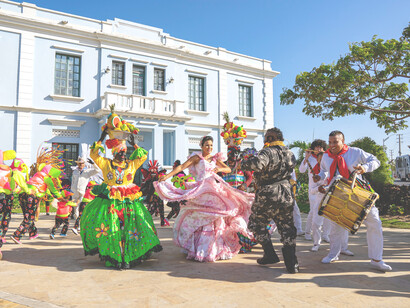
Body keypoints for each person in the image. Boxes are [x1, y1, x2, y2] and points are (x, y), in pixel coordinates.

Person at [155, 136, 254, 262]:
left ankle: (213, 248)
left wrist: (219, 168)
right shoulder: (197, 158)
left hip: (213, 189)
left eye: (211, 145)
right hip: (200, 189)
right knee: (200, 215)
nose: (209, 148)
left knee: (216, 217)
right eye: (207, 145)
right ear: (201, 146)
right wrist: (167, 176)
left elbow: (228, 169)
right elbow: (181, 167)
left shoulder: (214, 158)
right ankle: (197, 247)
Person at [80, 129, 162, 269]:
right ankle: (114, 254)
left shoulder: (131, 165)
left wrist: (135, 144)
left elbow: (142, 157)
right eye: (121, 152)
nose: (124, 154)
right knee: (110, 227)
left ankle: (129, 254)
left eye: (125, 151)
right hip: (109, 201)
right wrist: (102, 137)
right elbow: (94, 154)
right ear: (114, 153)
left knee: (131, 226)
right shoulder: (106, 164)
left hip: (128, 201)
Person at [314, 130, 392, 272]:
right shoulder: (326, 157)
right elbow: (326, 173)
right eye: (330, 142)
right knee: (336, 225)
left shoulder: (355, 152)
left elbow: (375, 161)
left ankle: (376, 259)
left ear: (343, 141)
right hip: (337, 194)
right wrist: (321, 181)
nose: (331, 145)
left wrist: (364, 168)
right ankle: (333, 254)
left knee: (374, 222)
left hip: (359, 193)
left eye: (335, 142)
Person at [241, 127, 299, 274]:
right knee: (287, 227)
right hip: (286, 193)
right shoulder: (290, 153)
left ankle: (270, 254)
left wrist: (245, 161)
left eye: (267, 137)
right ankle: (292, 264)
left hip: (268, 194)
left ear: (272, 138)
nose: (265, 139)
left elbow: (257, 165)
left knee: (256, 224)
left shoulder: (267, 151)